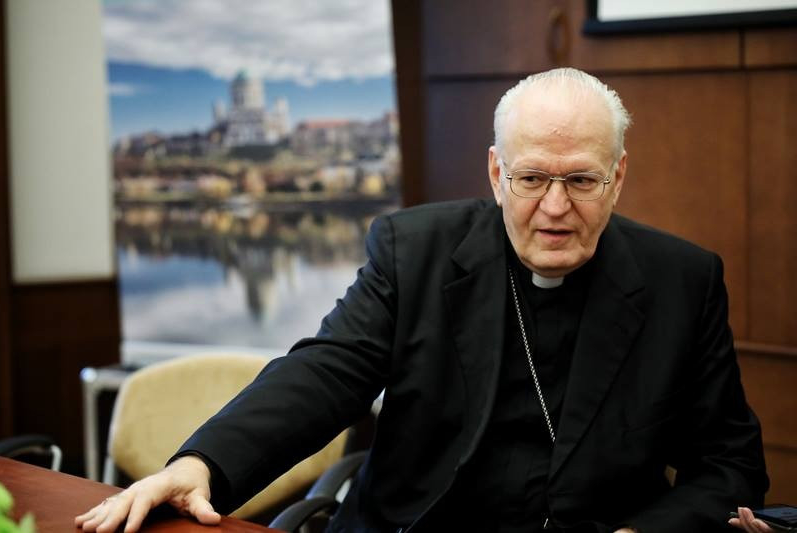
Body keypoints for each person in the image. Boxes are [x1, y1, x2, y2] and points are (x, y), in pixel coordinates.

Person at [76, 68, 771, 533]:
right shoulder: (416, 253)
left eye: (582, 181)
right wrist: (199, 466)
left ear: (618, 177)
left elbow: (731, 464)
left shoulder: (683, 281)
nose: (556, 207)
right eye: (532, 178)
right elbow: (322, 374)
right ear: (496, 172)